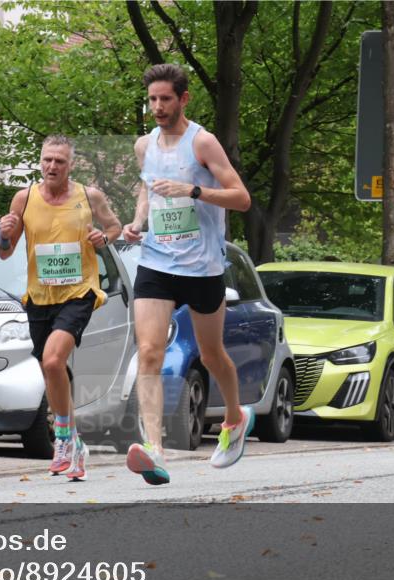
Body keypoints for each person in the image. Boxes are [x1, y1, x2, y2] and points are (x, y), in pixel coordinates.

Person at [121, 64, 253, 486]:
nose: (157, 107)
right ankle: (154, 449)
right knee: (149, 351)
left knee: (211, 354)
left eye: (165, 99)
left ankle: (234, 418)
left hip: (202, 266)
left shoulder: (203, 143)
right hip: (157, 261)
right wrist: (137, 222)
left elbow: (242, 198)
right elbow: (147, 189)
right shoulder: (144, 145)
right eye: (152, 99)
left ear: (183, 99)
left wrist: (194, 190)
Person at [0, 134, 122, 481]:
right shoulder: (24, 198)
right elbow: (5, 251)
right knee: (50, 370)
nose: (52, 166)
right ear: (40, 161)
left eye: (60, 161)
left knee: (53, 360)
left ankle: (63, 438)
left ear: (71, 165)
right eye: (47, 160)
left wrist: (103, 238)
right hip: (39, 296)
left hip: (79, 292)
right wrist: (4, 234)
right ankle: (75, 443)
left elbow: (114, 227)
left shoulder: (89, 196)